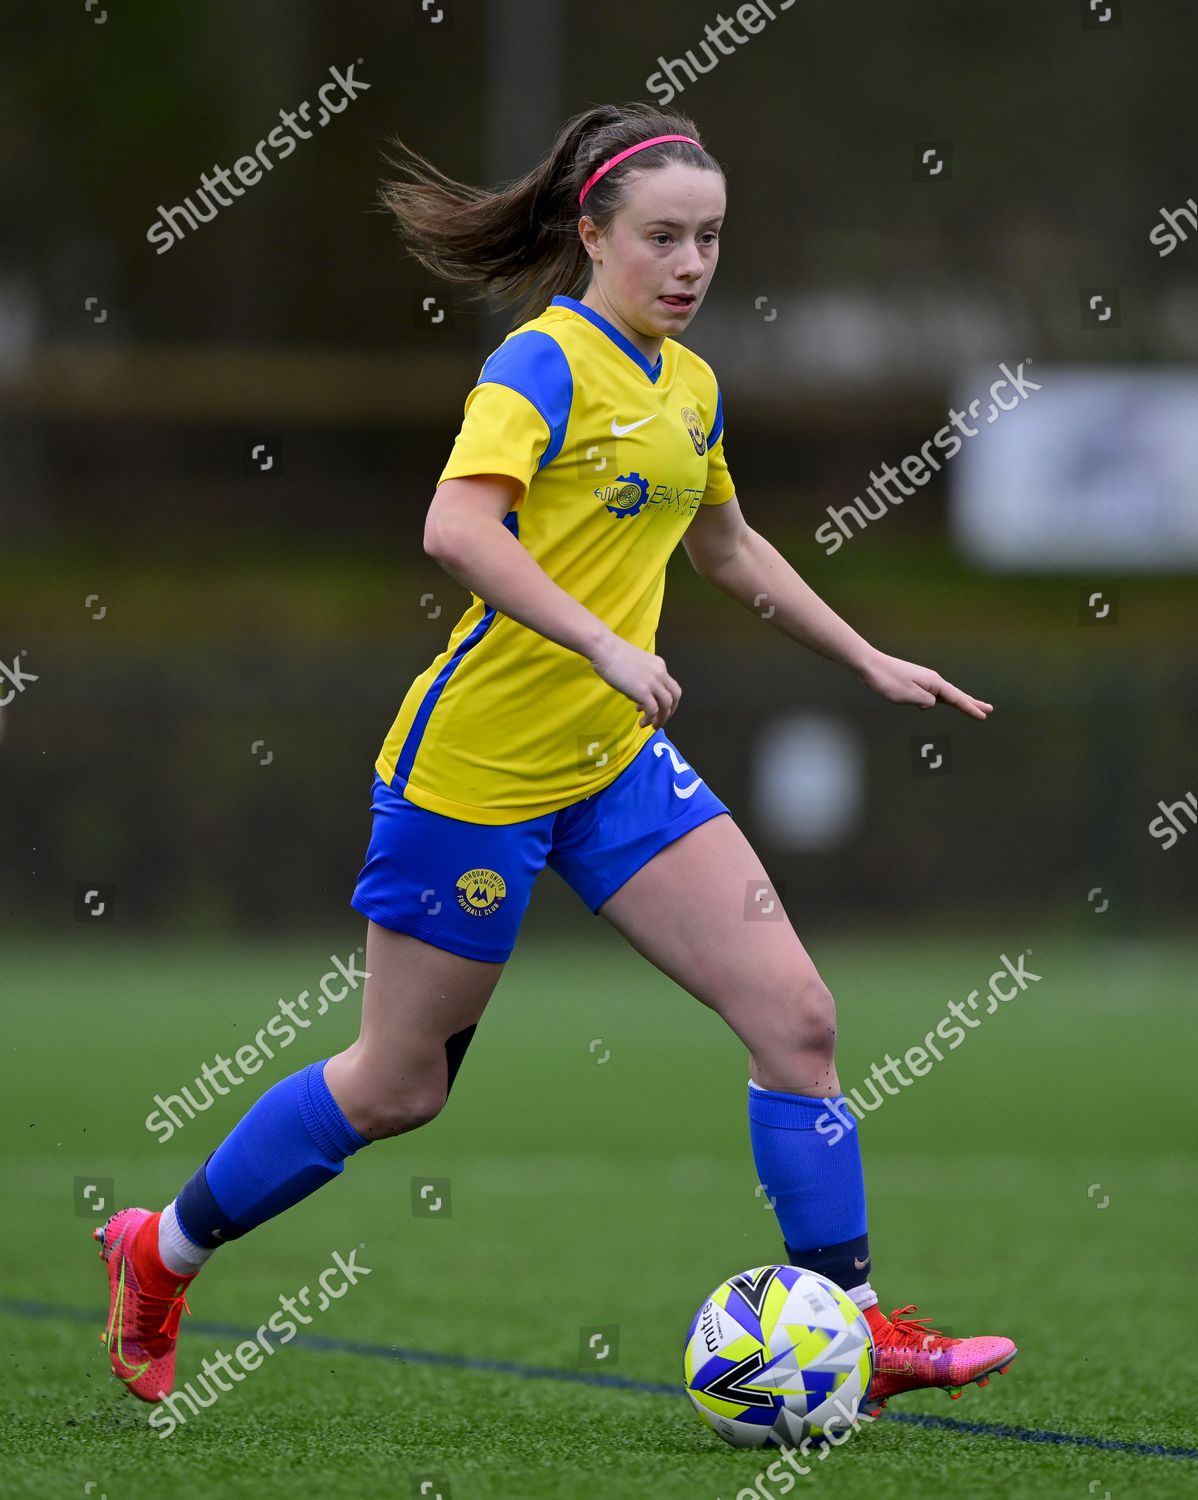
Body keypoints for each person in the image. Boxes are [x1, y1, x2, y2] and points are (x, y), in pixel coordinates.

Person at [94, 101, 1016, 1415]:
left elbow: (725, 548)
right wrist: (600, 642)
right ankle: (160, 1251)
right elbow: (455, 531)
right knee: (399, 1088)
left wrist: (864, 655)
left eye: (709, 239)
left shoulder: (688, 384)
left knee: (797, 1020)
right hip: (472, 775)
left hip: (613, 770)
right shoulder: (540, 363)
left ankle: (860, 1338)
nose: (691, 265)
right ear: (592, 234)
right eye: (662, 238)